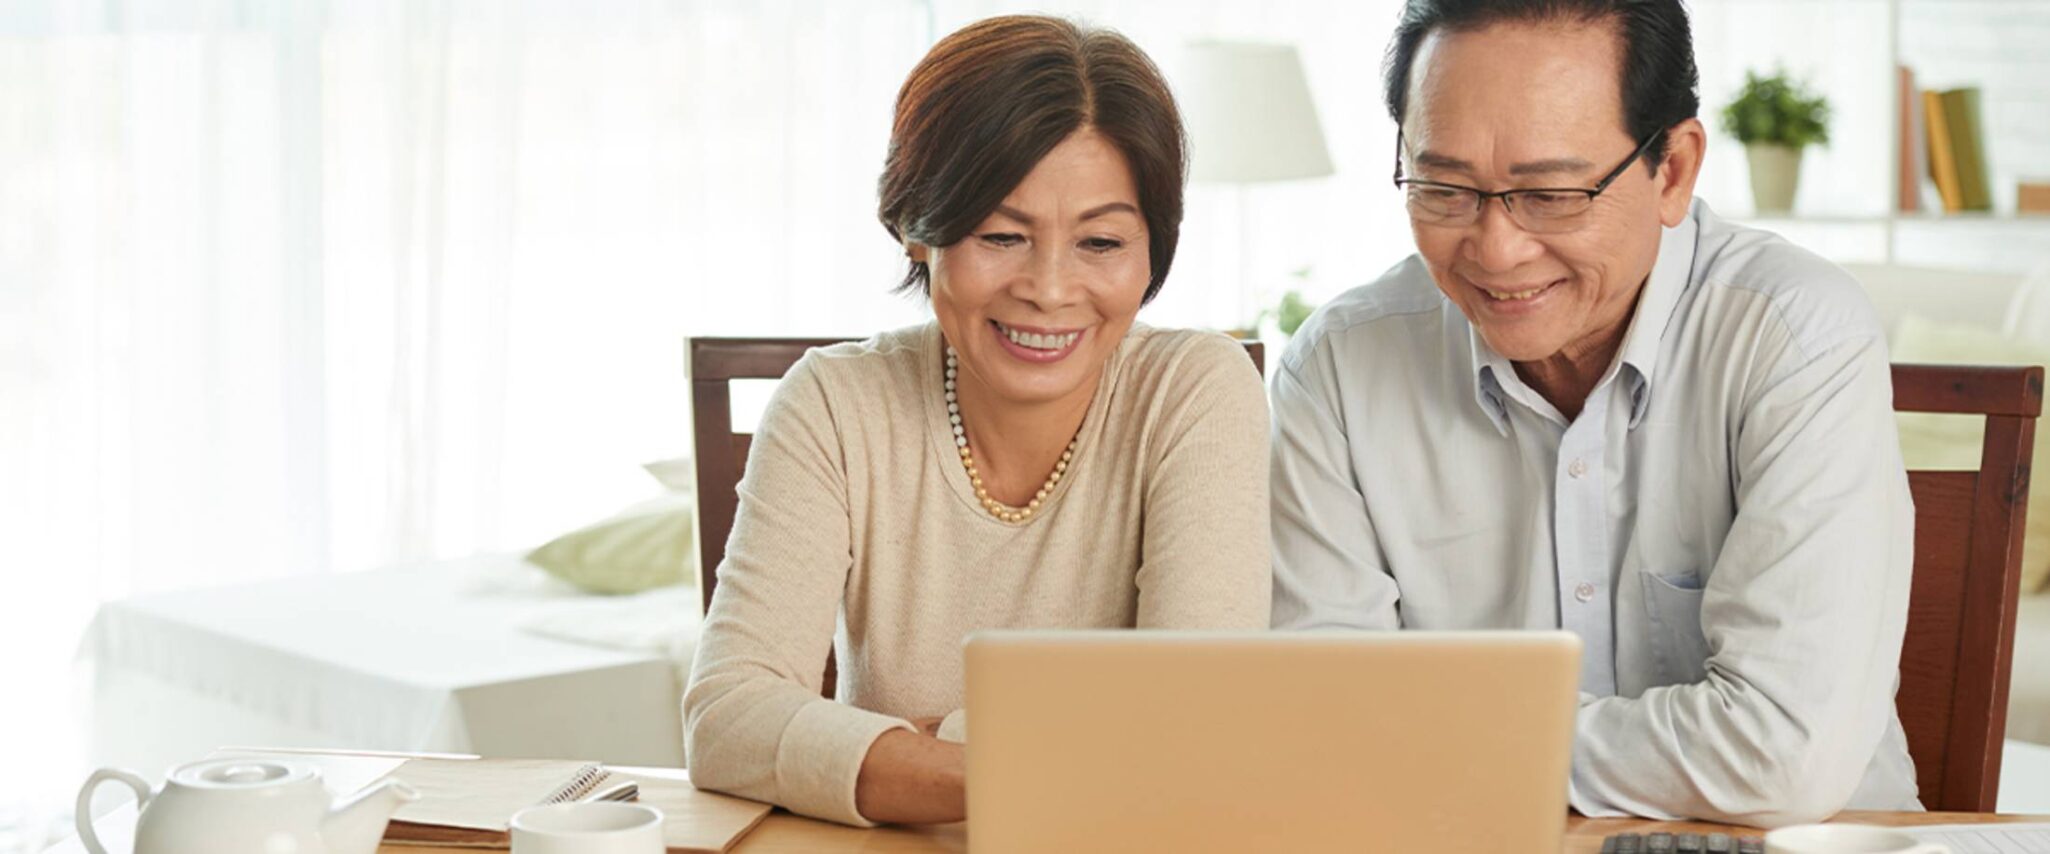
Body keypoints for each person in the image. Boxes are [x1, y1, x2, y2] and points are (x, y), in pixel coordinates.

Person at [1270, 0, 1919, 827]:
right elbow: (1318, 727)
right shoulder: (1339, 366)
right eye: (1446, 188)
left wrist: (1442, 743)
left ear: (1674, 170)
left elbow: (1780, 756)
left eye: (1550, 194)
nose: (1497, 250)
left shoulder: (1794, 334)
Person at [684, 14, 1271, 828]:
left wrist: (895, 747)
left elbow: (1196, 726)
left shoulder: (1196, 390)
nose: (1050, 289)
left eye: (1100, 242)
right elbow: (725, 719)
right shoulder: (832, 402)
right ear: (916, 231)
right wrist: (1023, 768)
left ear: (1152, 251)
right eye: (1001, 235)